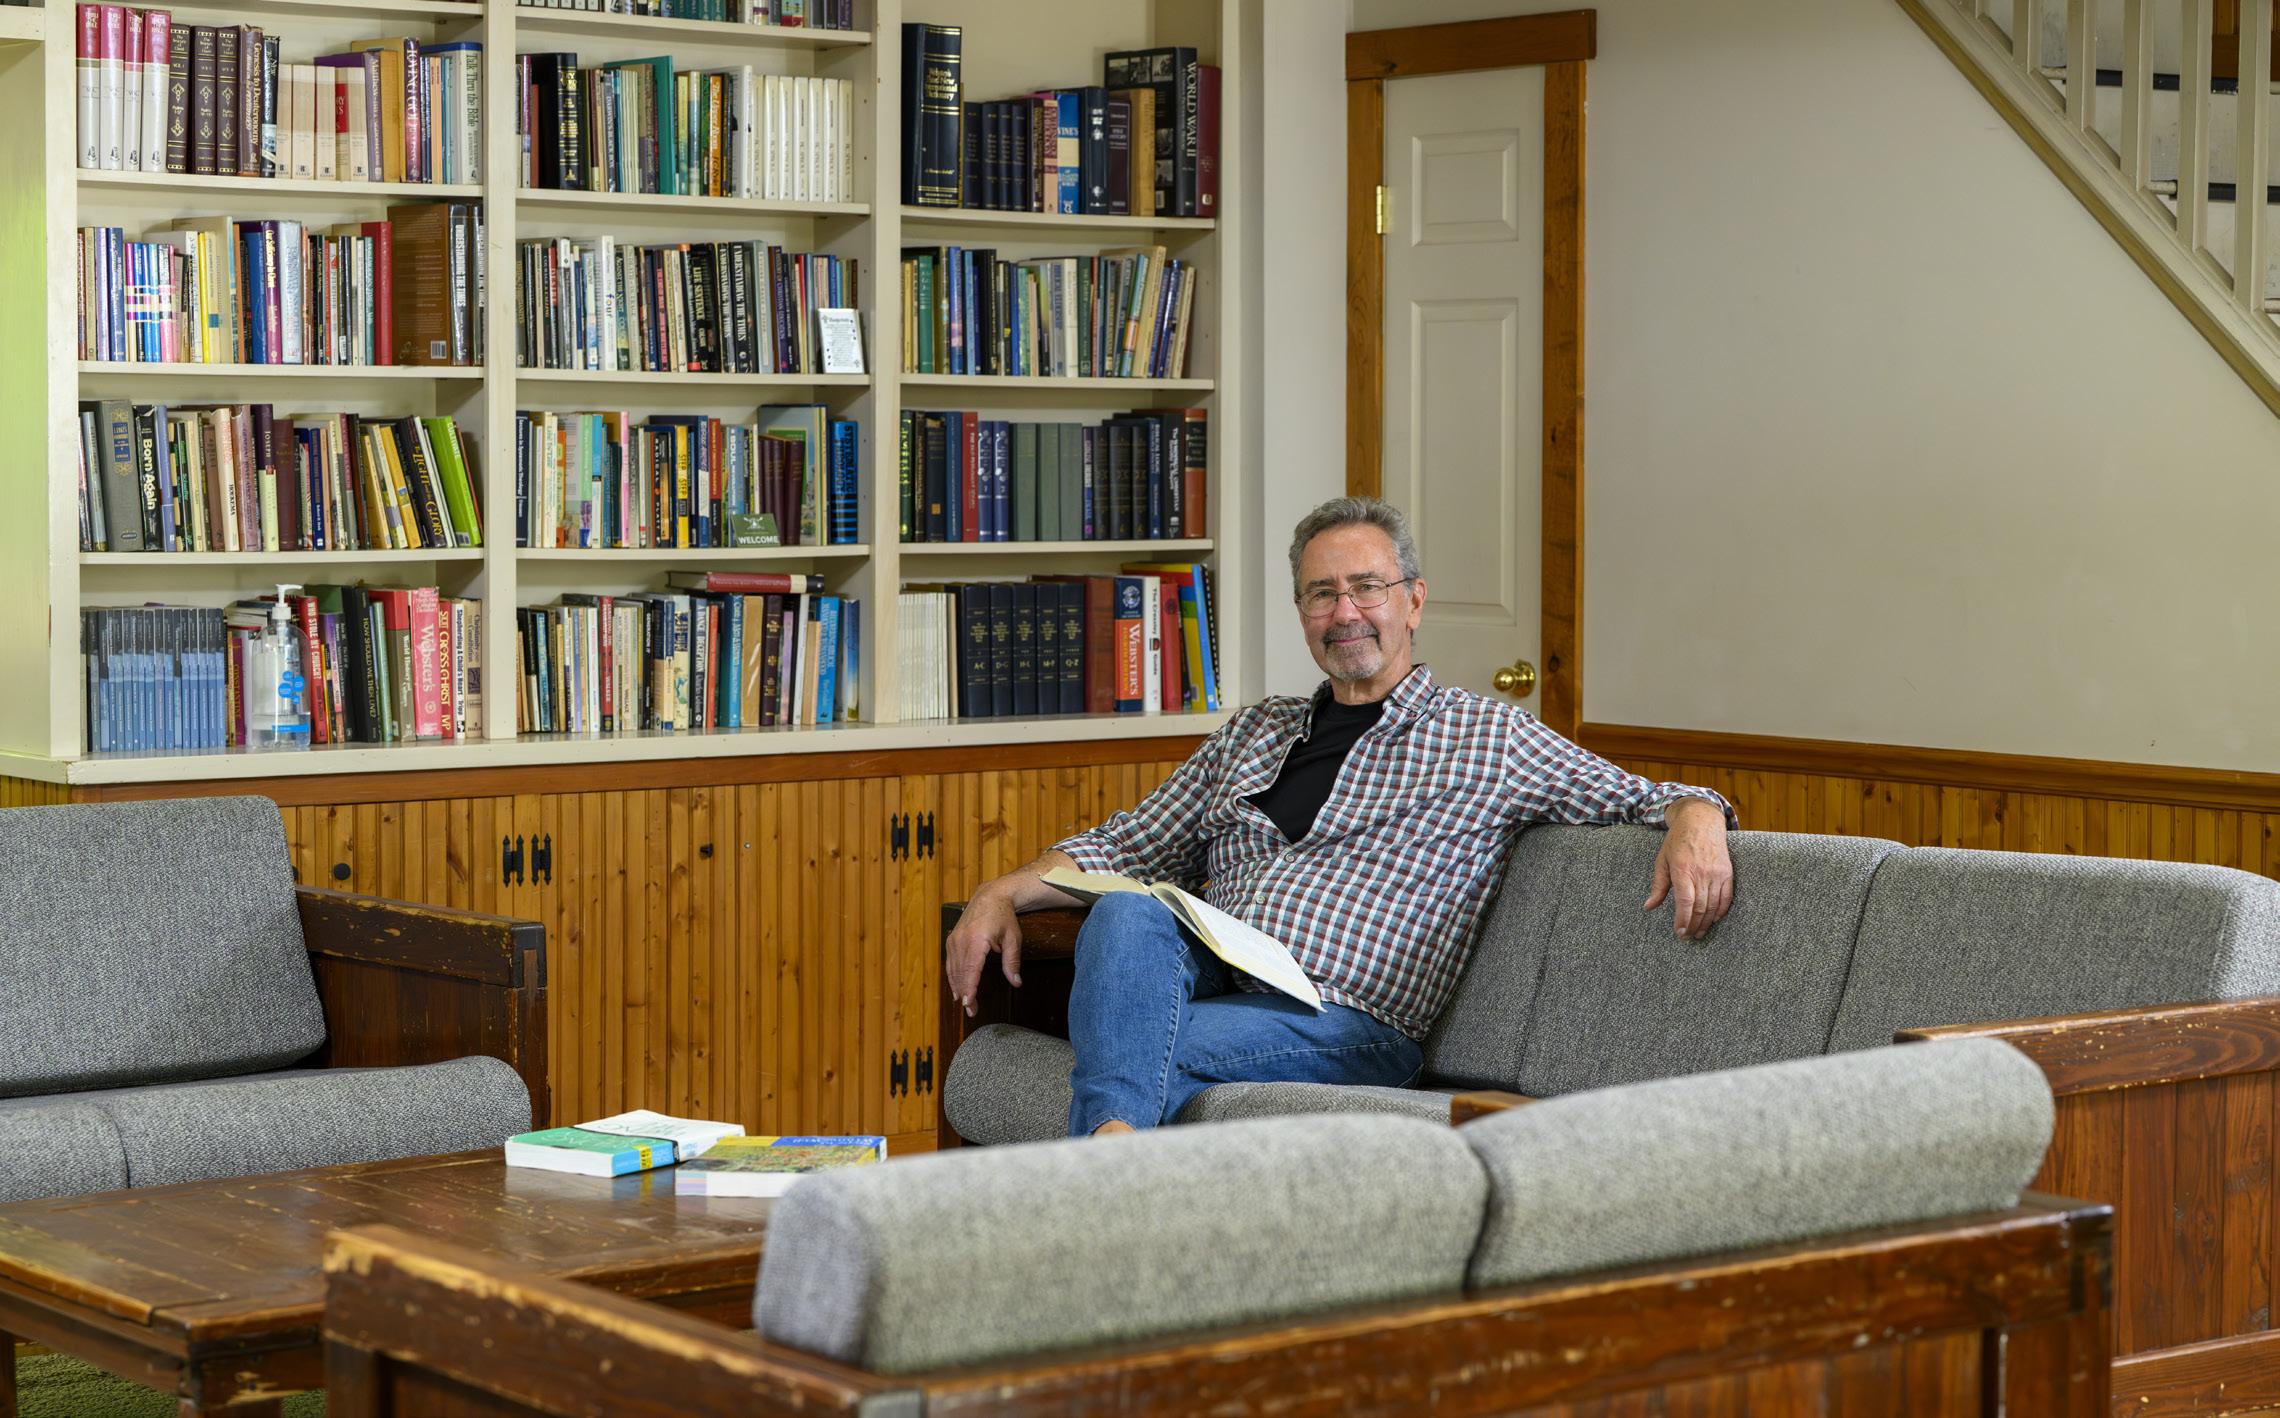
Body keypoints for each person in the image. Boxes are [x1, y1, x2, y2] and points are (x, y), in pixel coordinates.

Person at [943, 496, 1737, 1137]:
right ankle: (1118, 1162)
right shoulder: (1256, 731)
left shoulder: (1488, 736)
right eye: (1323, 594)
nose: (1345, 611)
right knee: (1127, 913)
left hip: (1348, 1020)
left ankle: (1100, 1169)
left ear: (1414, 601)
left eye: (1367, 588)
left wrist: (1697, 817)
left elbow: (1642, 795)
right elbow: (1128, 843)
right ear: (1302, 613)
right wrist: (1001, 892)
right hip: (1225, 976)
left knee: (1129, 1041)